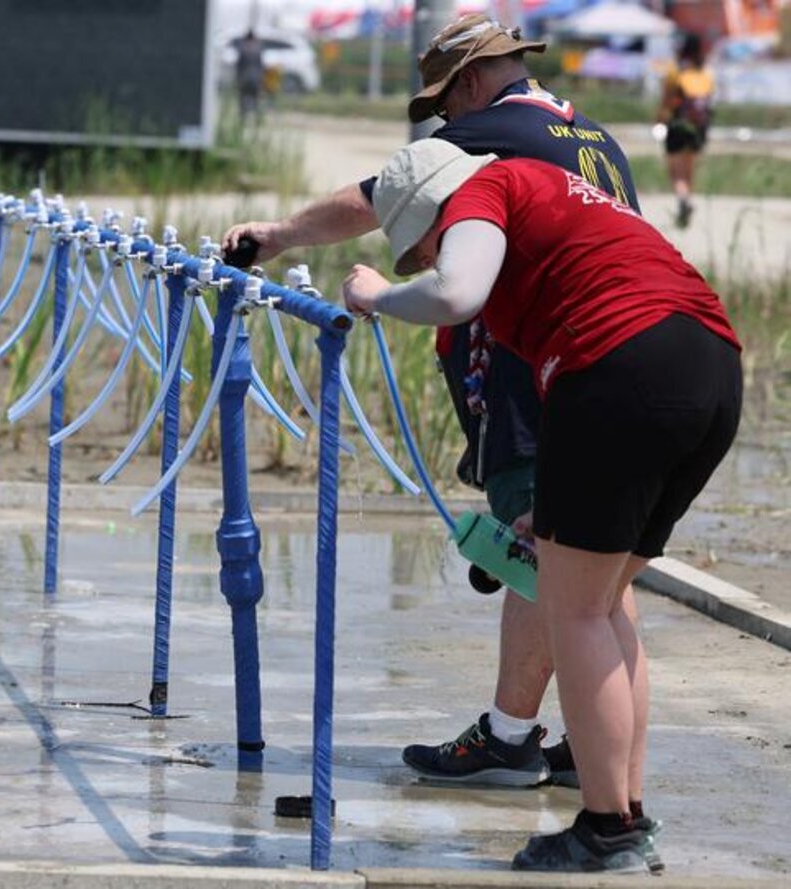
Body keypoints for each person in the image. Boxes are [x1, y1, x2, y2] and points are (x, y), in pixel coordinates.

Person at [223, 14, 641, 789]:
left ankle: (511, 735)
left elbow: (378, 199)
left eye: (446, 103)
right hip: (613, 367)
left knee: (552, 563)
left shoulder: (493, 133)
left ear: (474, 83)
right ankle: (593, 740)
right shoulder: (596, 140)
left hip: (536, 374)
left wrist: (278, 235)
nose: (447, 122)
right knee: (601, 580)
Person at [343, 137, 741, 873]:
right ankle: (627, 810)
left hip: (623, 363)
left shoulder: (482, 193)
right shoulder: (549, 195)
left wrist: (377, 297)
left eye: (424, 249)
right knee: (608, 600)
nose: (430, 261)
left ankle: (605, 828)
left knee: (578, 612)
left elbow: (456, 292)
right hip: (709, 366)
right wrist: (555, 503)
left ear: (435, 213)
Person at [657, 33, 714, 228]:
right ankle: (687, 198)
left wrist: (660, 120)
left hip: (677, 126)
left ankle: (682, 199)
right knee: (688, 170)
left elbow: (666, 100)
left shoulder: (675, 71)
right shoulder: (705, 72)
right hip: (699, 128)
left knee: (675, 171)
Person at [235, 29, 265, 123]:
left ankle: (242, 119)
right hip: (256, 78)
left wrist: (238, 79)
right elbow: (261, 65)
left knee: (242, 100)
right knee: (256, 99)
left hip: (244, 78)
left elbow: (239, 66)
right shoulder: (258, 49)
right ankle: (258, 120)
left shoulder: (242, 49)